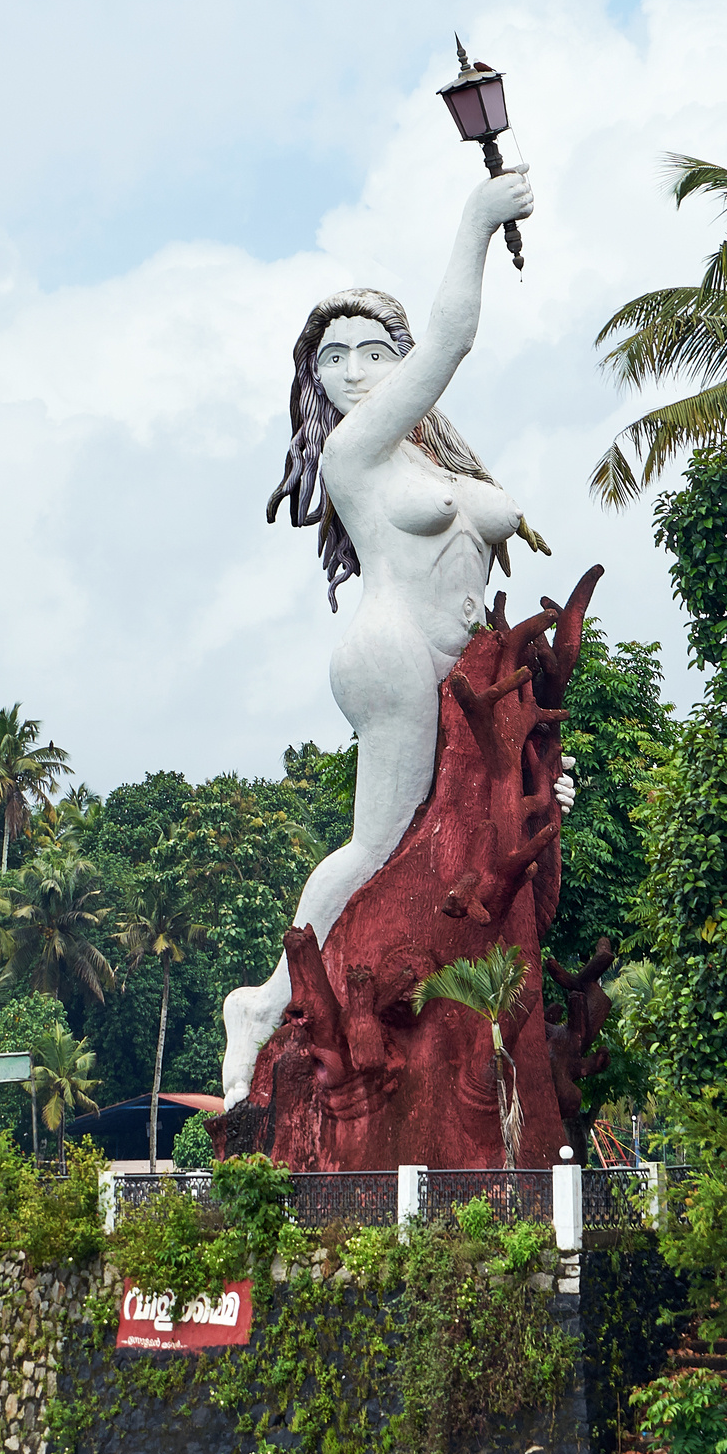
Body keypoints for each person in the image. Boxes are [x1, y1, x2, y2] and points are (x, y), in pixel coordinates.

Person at [219, 166, 543, 1105]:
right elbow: (451, 339)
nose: (356, 373)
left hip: (456, 678)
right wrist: (478, 219)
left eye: (373, 352)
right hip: (393, 659)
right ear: (312, 381)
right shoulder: (354, 450)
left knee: (451, 850)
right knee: (380, 848)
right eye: (334, 360)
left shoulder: (421, 455)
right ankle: (270, 1000)